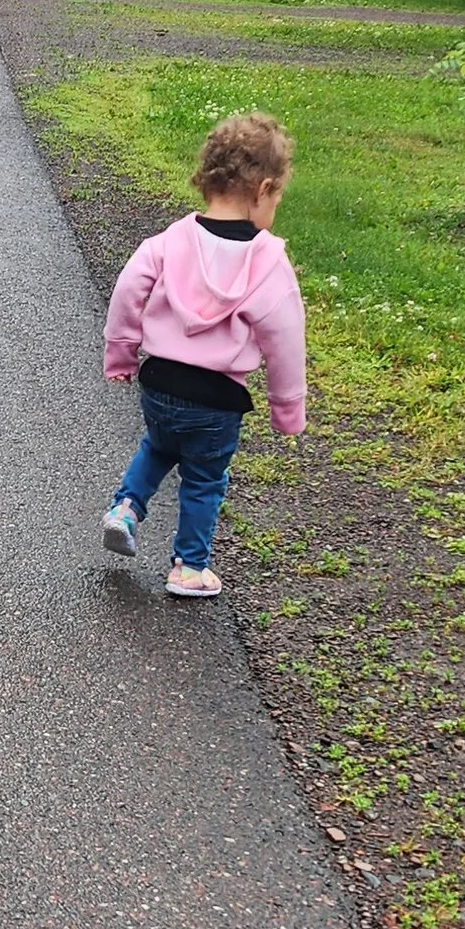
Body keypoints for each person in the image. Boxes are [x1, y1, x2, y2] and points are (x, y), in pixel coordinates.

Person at [100, 111, 306, 599]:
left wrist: (122, 353)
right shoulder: (268, 262)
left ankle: (125, 508)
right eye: (276, 198)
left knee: (159, 444)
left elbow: (129, 290)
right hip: (217, 398)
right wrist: (286, 408)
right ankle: (189, 567)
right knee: (204, 479)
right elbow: (284, 336)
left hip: (161, 382)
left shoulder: (171, 241)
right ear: (263, 189)